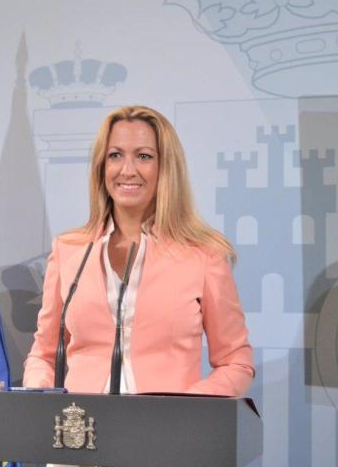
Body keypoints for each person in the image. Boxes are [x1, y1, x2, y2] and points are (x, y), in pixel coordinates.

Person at [23, 105, 254, 396]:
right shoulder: (69, 250)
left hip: (167, 422)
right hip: (81, 422)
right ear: (101, 167)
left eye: (144, 156)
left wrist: (191, 406)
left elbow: (235, 361)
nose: (127, 170)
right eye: (115, 155)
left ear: (166, 167)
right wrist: (41, 396)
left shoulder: (204, 255)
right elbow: (42, 355)